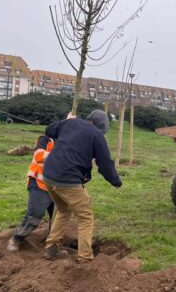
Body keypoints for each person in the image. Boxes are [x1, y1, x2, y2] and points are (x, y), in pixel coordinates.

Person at [42, 110, 122, 263]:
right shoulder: (97, 136)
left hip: (48, 175)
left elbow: (49, 130)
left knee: (63, 209)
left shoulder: (71, 122)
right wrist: (116, 181)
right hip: (68, 180)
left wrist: (66, 120)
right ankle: (85, 259)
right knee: (85, 217)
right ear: (102, 126)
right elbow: (105, 164)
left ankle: (51, 247)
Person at [7, 135, 55, 252]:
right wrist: (62, 155)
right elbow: (39, 156)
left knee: (57, 218)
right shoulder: (45, 139)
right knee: (35, 215)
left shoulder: (69, 143)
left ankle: (52, 244)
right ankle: (16, 238)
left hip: (58, 187)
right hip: (39, 183)